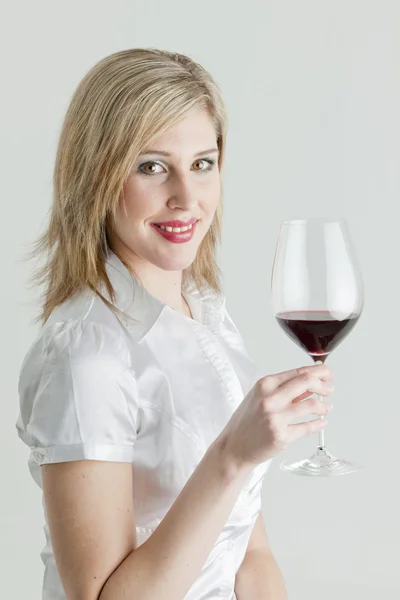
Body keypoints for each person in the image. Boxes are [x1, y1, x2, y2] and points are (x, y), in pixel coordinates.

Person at [15, 48, 334, 600]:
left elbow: (249, 551)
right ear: (98, 175)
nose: (187, 198)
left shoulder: (205, 309)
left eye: (202, 163)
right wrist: (233, 454)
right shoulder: (87, 356)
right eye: (152, 166)